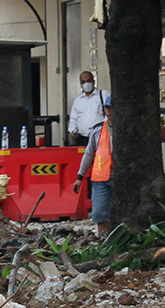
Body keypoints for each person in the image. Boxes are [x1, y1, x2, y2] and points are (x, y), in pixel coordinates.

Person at [73, 94, 113, 235]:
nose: (109, 111)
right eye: (107, 108)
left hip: (119, 179)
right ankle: (103, 242)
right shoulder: (97, 130)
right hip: (100, 180)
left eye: (111, 108)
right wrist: (80, 176)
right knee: (101, 215)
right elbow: (88, 154)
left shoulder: (125, 130)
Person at [68, 71, 110, 146]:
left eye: (88, 80)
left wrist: (101, 129)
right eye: (83, 82)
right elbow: (73, 118)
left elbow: (109, 113)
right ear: (81, 84)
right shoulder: (78, 100)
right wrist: (73, 130)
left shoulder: (103, 95)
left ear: (93, 82)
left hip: (100, 137)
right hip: (83, 139)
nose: (86, 83)